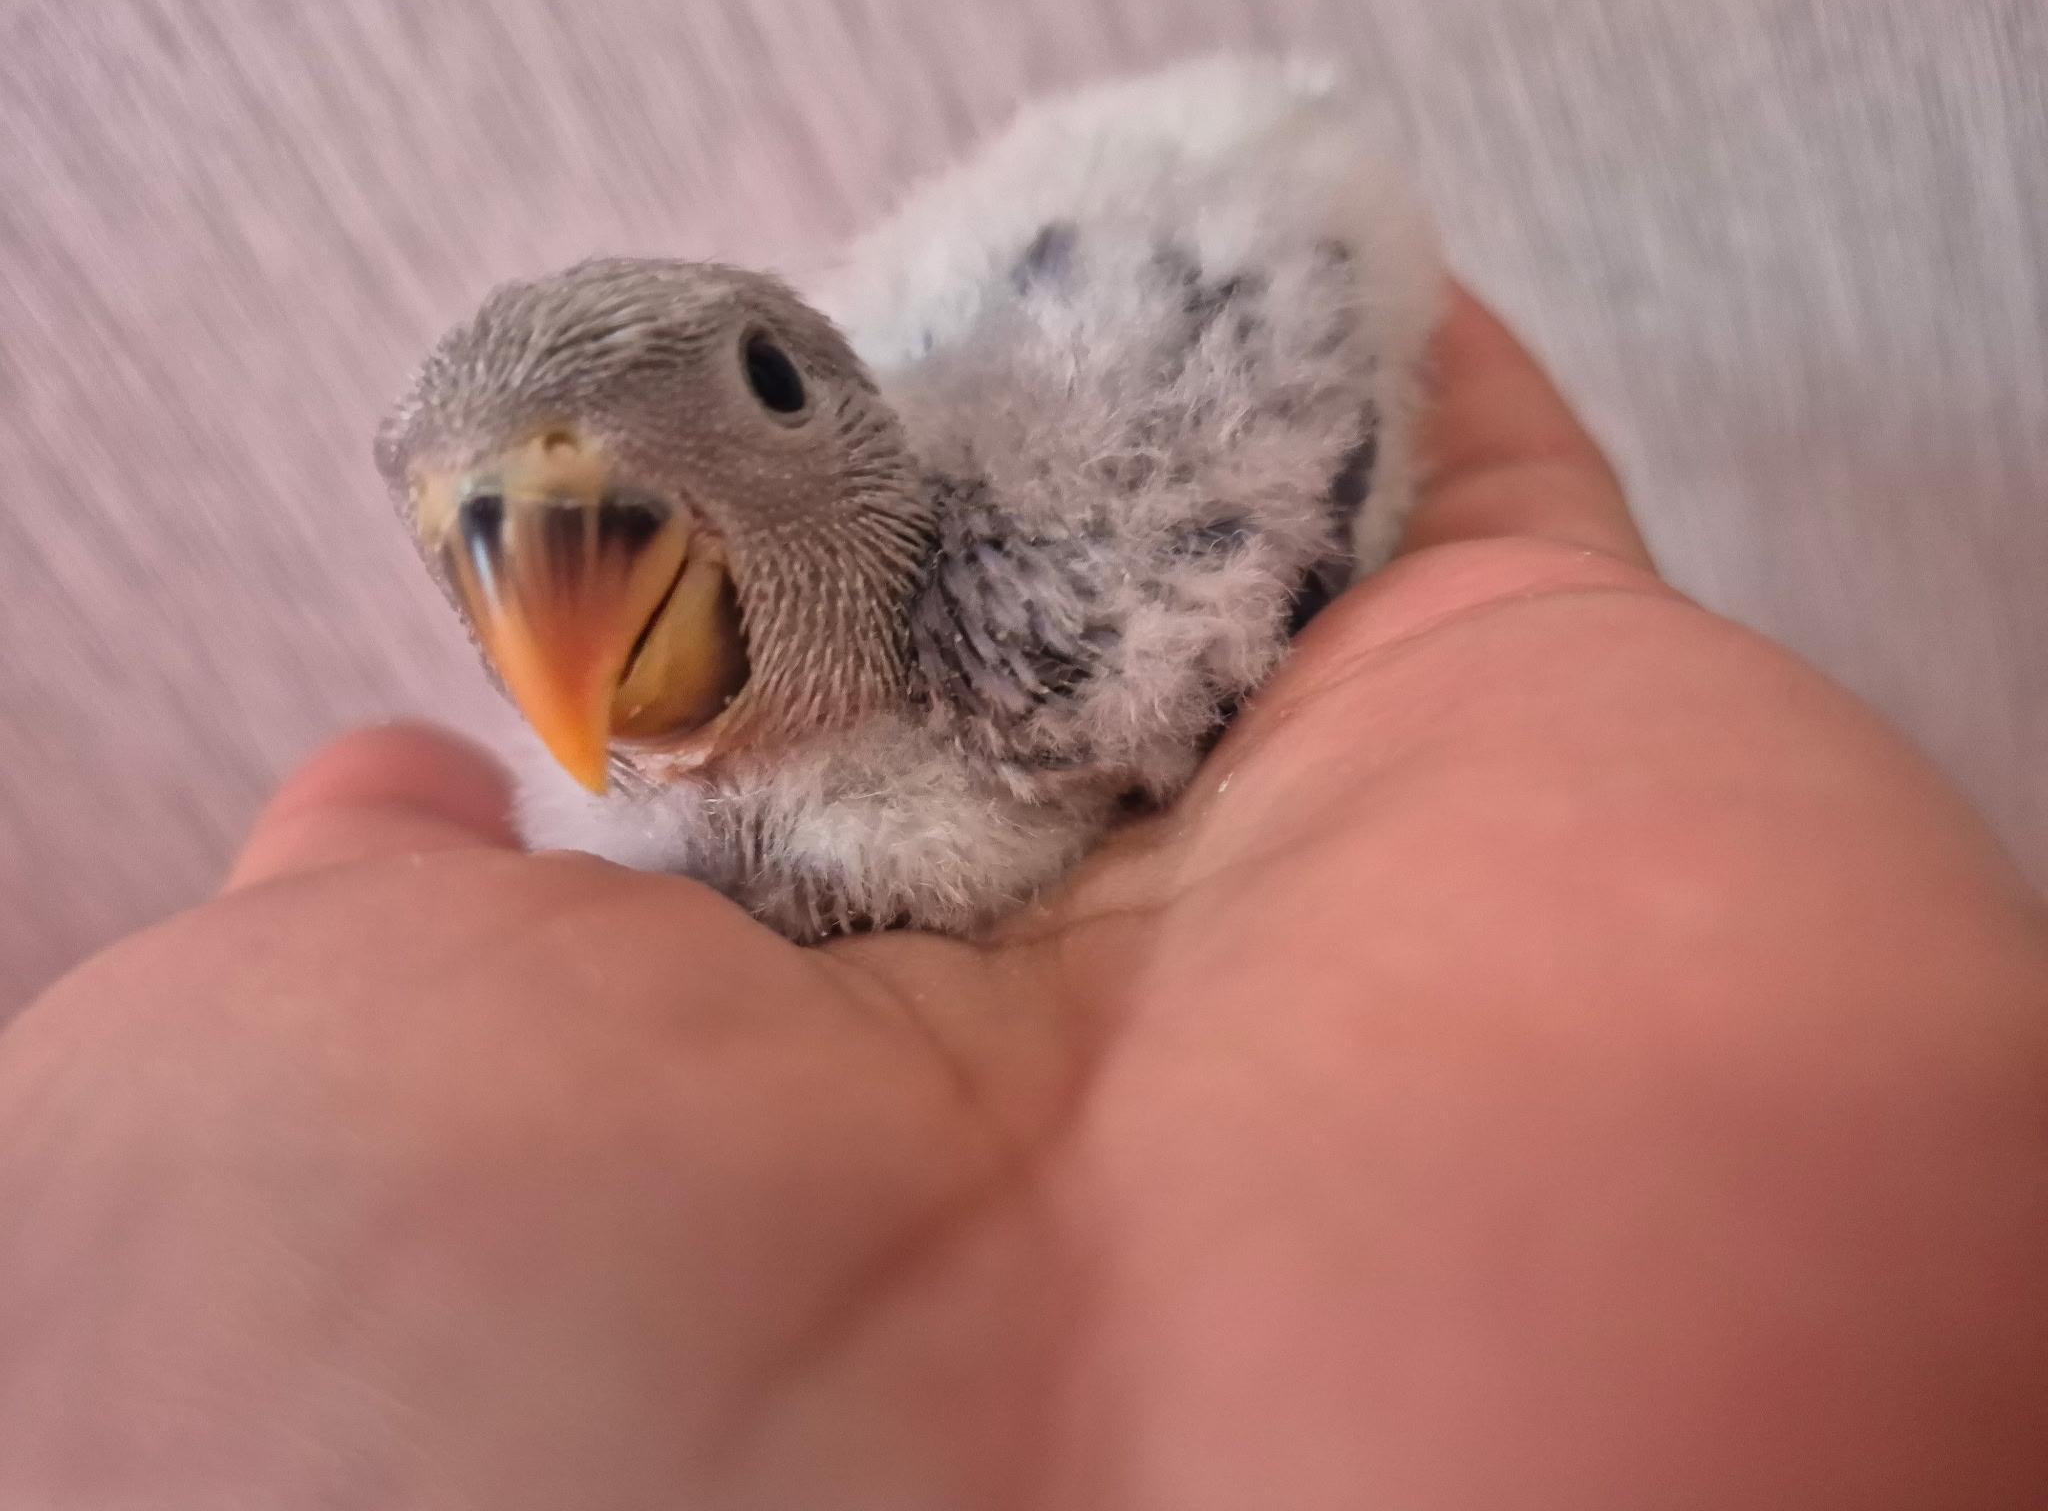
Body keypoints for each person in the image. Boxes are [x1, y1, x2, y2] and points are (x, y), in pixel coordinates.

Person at [3, 287, 2041, 1509]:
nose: (541, 558)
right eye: (477, 540)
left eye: (761, 402)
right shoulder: (620, 870)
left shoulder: (1082, 621)